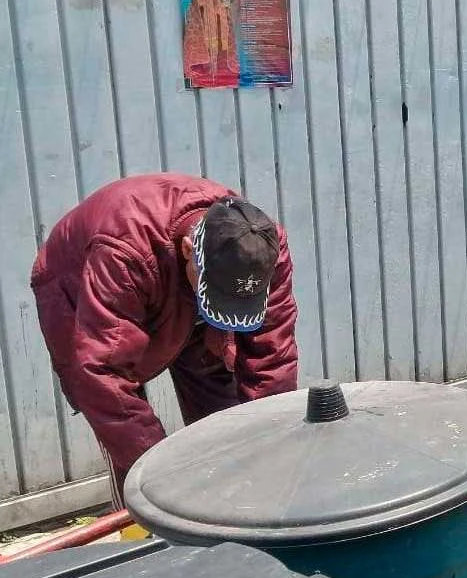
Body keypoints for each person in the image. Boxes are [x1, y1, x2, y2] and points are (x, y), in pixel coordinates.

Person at [31, 174, 298, 507]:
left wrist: (268, 446)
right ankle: (142, 525)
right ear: (188, 250)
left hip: (170, 280)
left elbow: (272, 357)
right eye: (217, 297)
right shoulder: (122, 253)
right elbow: (104, 376)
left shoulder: (262, 248)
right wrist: (158, 474)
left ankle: (231, 510)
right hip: (83, 286)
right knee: (128, 444)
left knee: (226, 420)